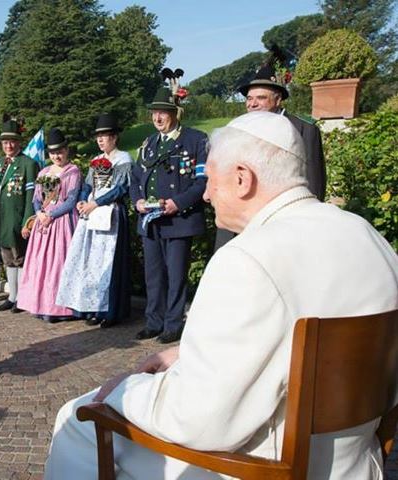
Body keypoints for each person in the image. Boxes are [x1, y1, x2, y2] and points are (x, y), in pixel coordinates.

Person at [44, 111, 398, 480]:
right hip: (357, 462)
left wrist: (124, 391)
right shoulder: (368, 236)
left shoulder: (247, 257)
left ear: (243, 178)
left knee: (77, 419)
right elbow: (301, 344)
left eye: (210, 179)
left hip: (270, 465)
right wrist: (187, 354)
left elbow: (199, 419)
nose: (208, 194)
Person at [215, 59, 328, 250]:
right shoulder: (237, 128)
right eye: (249, 99)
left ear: (278, 99)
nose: (252, 104)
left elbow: (314, 180)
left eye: (260, 98)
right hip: (241, 219)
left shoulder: (303, 129)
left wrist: (306, 222)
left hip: (282, 218)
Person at [130, 84, 208, 344]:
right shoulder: (148, 143)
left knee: (175, 276)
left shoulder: (195, 140)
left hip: (178, 220)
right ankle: (154, 321)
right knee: (153, 275)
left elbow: (201, 182)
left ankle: (173, 324)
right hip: (150, 220)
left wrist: (178, 203)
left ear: (176, 112)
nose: (157, 118)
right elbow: (135, 179)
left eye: (163, 112)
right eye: (154, 113)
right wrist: (137, 201)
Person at [56, 114, 132, 328]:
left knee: (109, 262)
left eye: (105, 136)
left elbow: (120, 188)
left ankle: (111, 311)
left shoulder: (123, 159)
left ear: (115, 137)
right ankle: (94, 307)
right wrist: (82, 201)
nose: (100, 140)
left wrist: (96, 203)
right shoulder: (96, 161)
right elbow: (88, 186)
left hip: (111, 214)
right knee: (93, 263)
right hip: (93, 213)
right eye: (98, 137)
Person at [16, 128, 81, 322]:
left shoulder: (73, 171)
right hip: (43, 224)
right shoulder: (44, 171)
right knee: (42, 265)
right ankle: (41, 304)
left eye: (60, 152)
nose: (57, 156)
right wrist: (39, 213)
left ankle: (61, 308)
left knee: (59, 264)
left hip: (62, 223)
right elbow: (36, 198)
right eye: (53, 153)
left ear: (66, 150)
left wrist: (51, 214)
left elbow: (71, 201)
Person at [0, 119, 39, 313]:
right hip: (1, 219)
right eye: (5, 142)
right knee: (7, 258)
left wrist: (27, 221)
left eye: (12, 141)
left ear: (19, 143)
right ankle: (12, 296)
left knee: (20, 258)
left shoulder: (28, 164)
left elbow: (31, 197)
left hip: (17, 220)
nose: (8, 145)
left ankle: (22, 298)